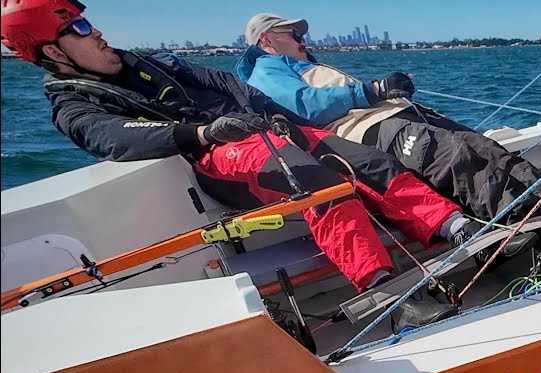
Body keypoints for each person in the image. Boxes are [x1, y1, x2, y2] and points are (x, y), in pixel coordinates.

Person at [1, 0, 483, 325]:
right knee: (315, 182)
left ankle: (459, 229)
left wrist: (278, 117)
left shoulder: (146, 62)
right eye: (80, 28)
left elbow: (226, 83)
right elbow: (112, 138)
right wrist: (203, 133)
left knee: (364, 160)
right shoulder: (73, 106)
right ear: (52, 52)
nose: (99, 32)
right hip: (218, 157)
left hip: (263, 133)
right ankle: (387, 297)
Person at [236, 13, 541, 259]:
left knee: (487, 149)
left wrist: (386, 92)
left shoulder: (301, 64)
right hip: (370, 130)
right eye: (293, 34)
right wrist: (374, 89)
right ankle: (539, 230)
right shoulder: (265, 71)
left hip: (394, 116)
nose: (302, 40)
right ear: (266, 39)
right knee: (456, 159)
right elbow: (305, 105)